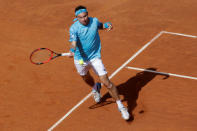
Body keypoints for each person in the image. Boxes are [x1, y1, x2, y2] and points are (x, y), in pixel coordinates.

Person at [67, 5, 129, 120]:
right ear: (76, 18)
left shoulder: (94, 21)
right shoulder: (74, 28)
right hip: (80, 59)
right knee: (85, 78)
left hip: (95, 57)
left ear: (87, 14)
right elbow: (73, 42)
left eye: (85, 16)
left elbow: (101, 26)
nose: (84, 19)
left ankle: (121, 107)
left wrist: (106, 25)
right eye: (80, 17)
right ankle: (95, 87)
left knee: (107, 82)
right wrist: (72, 50)